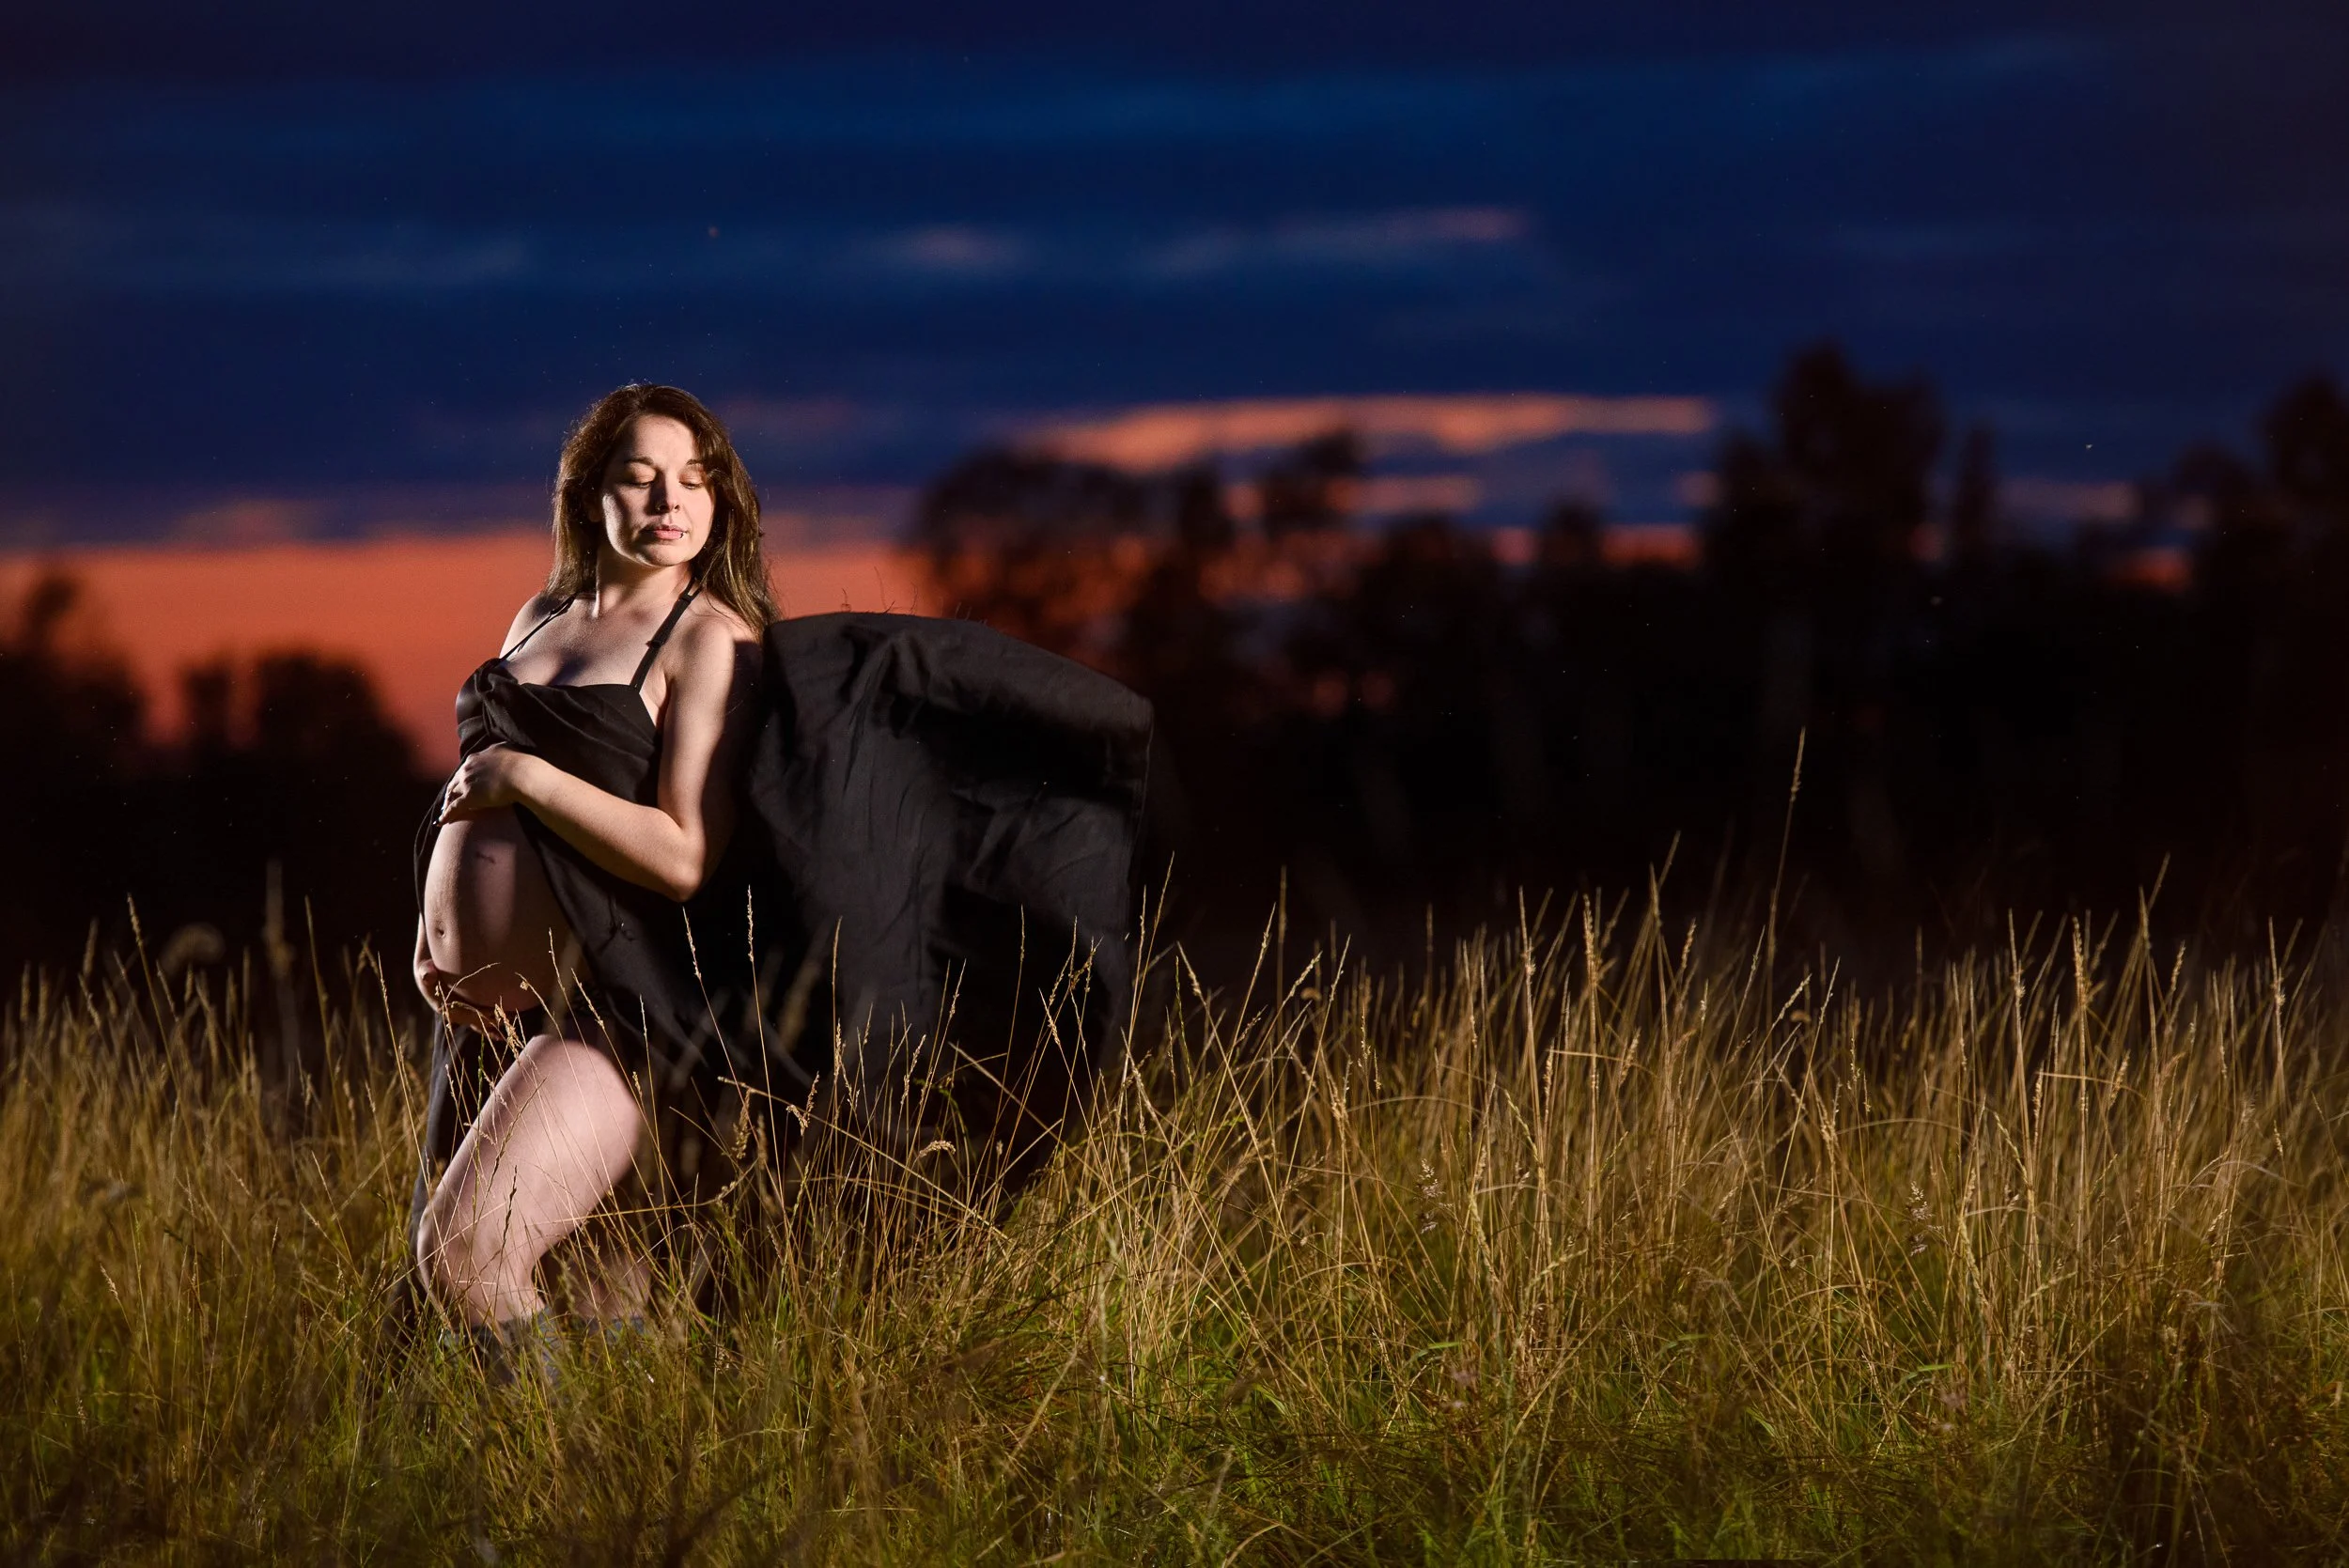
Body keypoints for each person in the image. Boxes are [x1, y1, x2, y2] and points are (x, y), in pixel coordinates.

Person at [411, 383, 771, 1347]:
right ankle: (596, 1495)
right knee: (601, 1311)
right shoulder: (539, 612)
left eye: (694, 481)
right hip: (501, 1015)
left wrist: (528, 778)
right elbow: (472, 782)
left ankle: (558, 1479)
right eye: (641, 478)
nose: (669, 503)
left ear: (720, 498)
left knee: (466, 1255)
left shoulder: (707, 640)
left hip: (619, 1010)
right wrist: (434, 932)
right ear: (589, 494)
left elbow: (685, 853)